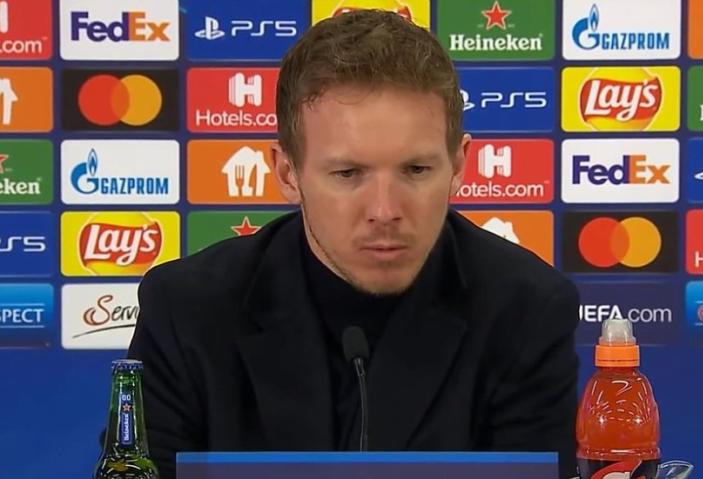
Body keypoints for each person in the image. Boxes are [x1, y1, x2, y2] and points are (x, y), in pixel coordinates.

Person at [126, 9, 580, 479]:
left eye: (416, 170)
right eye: (348, 173)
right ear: (287, 172)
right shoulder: (187, 310)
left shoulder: (526, 311)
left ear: (459, 165)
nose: (385, 210)